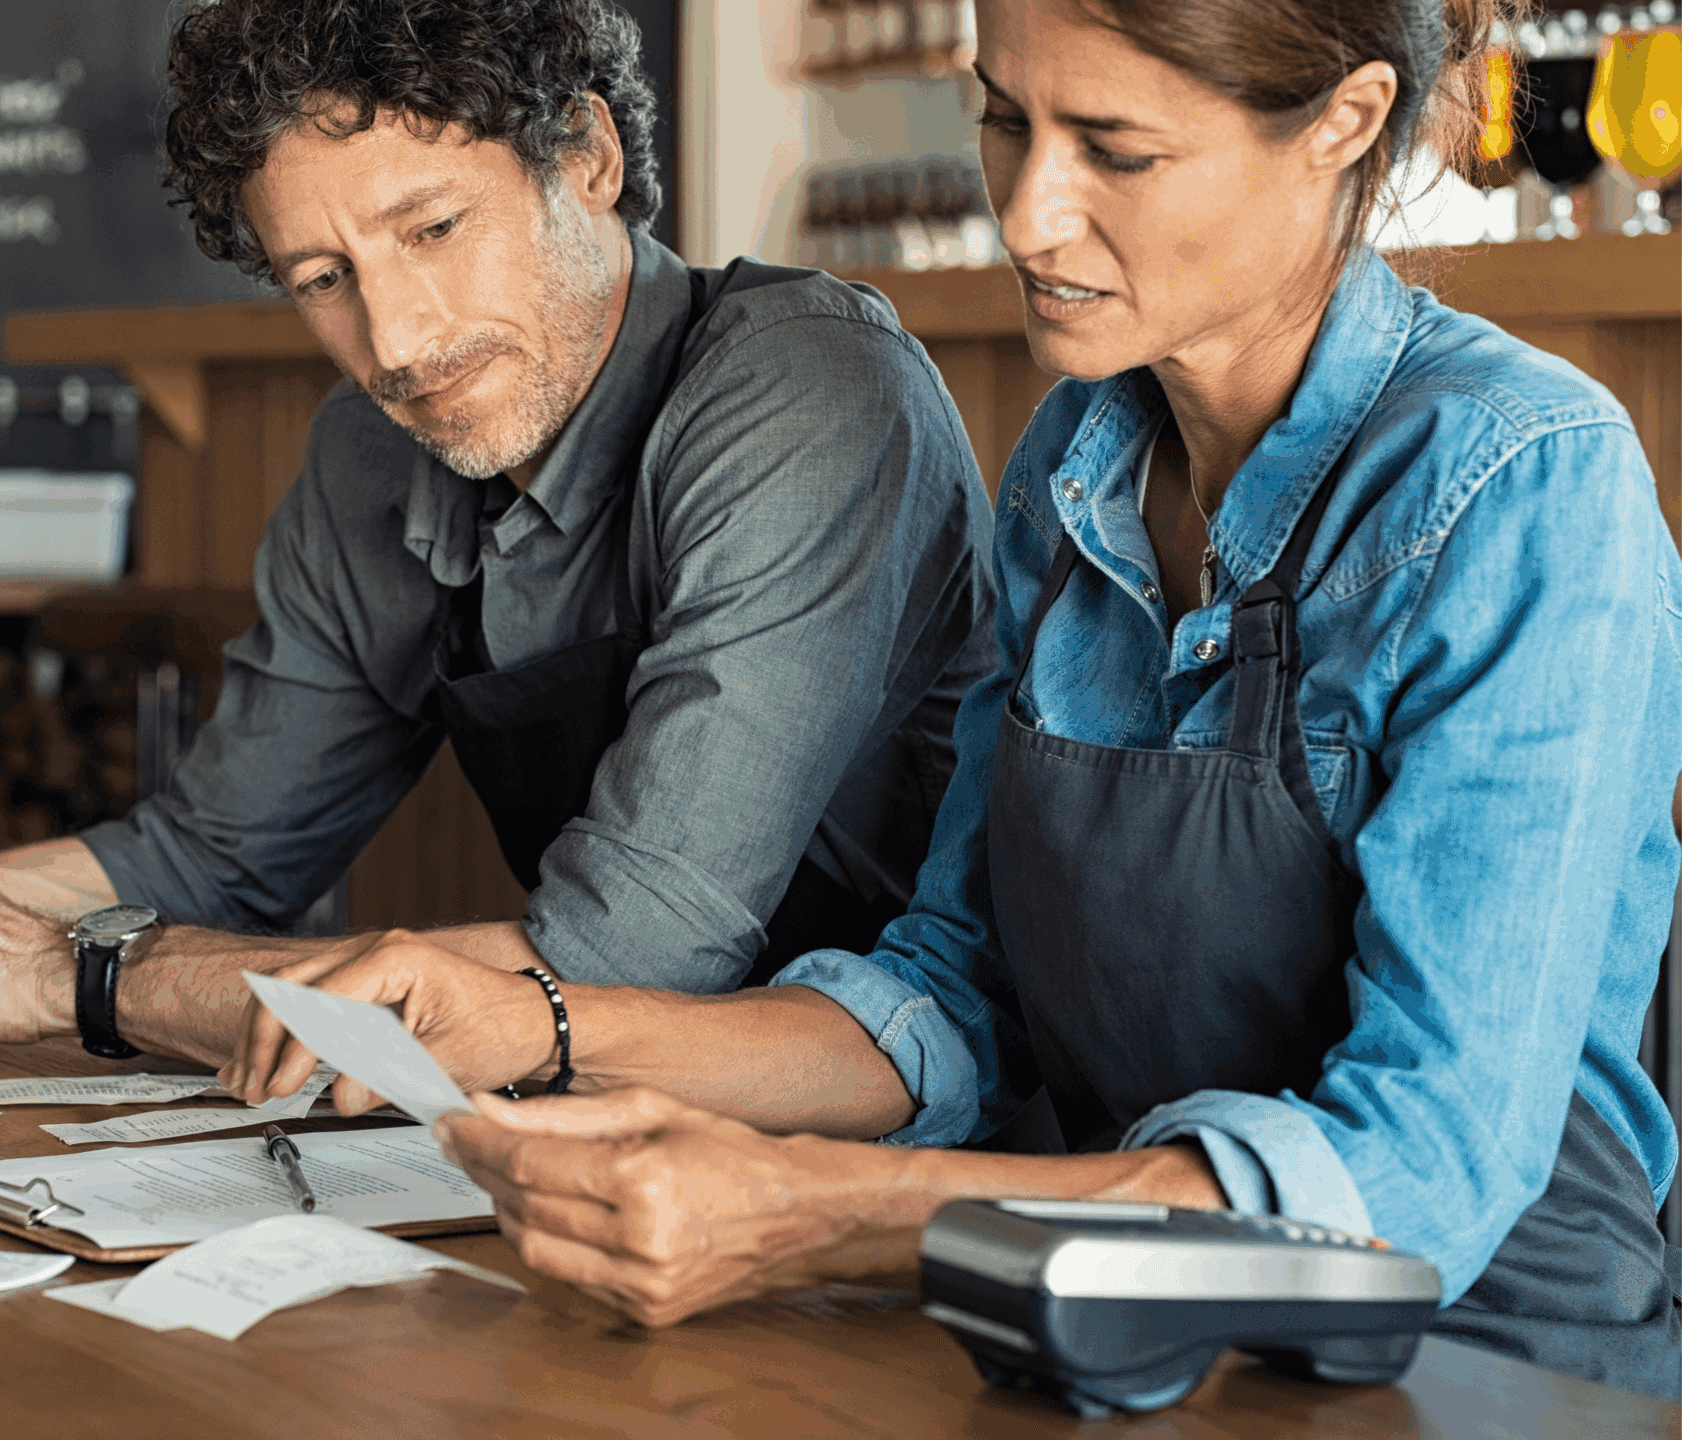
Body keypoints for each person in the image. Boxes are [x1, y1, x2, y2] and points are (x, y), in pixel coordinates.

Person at [236, 0, 1682, 1399]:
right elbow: (949, 993)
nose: (1031, 212)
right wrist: (534, 1025)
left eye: (1115, 149)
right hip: (1109, 1334)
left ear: (1343, 122)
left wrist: (822, 1209)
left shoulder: (1523, 483)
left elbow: (1420, 1173)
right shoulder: (1077, 464)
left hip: (1478, 1374)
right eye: (1004, 117)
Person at [0, 0, 998, 1066]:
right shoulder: (373, 453)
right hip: (603, 1135)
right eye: (322, 278)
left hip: (912, 1129)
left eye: (434, 229)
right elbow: (210, 854)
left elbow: (629, 962)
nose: (395, 342)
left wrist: (68, 979)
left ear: (588, 156)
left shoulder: (807, 392)